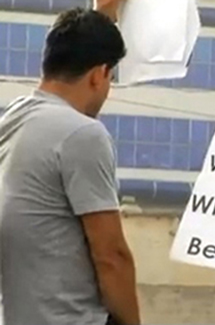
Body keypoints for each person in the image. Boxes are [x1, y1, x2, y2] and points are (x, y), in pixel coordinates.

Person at [0, 1, 140, 324]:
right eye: (110, 78)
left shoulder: (14, 119)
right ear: (99, 75)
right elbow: (111, 256)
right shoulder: (83, 135)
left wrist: (104, 13)